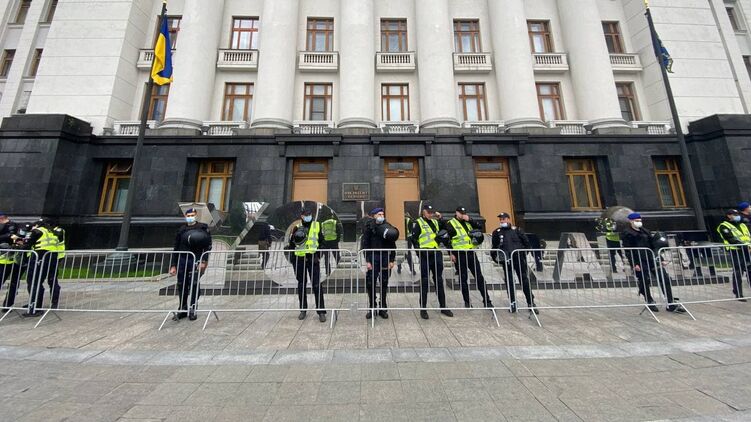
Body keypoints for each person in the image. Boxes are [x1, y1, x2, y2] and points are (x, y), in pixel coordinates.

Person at [169, 208, 212, 321]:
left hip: (196, 258)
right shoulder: (182, 229)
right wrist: (173, 265)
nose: (190, 216)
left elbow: (208, 246)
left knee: (193, 283)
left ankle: (193, 308)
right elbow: (176, 247)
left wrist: (204, 261)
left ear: (196, 215)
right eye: (188, 215)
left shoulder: (202, 227)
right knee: (181, 284)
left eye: (192, 215)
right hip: (183, 259)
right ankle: (182, 309)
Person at [411, 205, 453, 319]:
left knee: (439, 280)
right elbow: (414, 239)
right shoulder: (418, 223)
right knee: (424, 281)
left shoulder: (435, 222)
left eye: (432, 212)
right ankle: (423, 309)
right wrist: (419, 253)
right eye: (428, 212)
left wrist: (441, 219)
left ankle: (443, 306)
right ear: (423, 212)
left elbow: (446, 230)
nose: (430, 214)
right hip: (425, 255)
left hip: (436, 254)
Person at [491, 212, 538, 314]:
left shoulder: (517, 230)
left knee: (524, 280)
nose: (501, 221)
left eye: (503, 219)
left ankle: (531, 302)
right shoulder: (497, 232)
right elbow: (494, 247)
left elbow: (526, 244)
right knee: (509, 282)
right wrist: (495, 258)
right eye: (500, 219)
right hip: (506, 261)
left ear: (508, 219)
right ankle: (512, 303)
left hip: (518, 260)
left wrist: (522, 255)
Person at [446, 206, 493, 309]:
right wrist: (451, 253)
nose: (462, 214)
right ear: (456, 213)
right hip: (459, 254)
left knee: (479, 277)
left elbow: (480, 228)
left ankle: (487, 300)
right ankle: (467, 302)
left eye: (463, 212)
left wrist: (470, 220)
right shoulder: (451, 223)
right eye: (460, 213)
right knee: (463, 279)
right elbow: (447, 239)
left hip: (471, 253)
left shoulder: (468, 222)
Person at [288, 209, 327, 322]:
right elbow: (291, 245)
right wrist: (293, 259)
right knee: (301, 285)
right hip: (300, 260)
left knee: (316, 285)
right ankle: (303, 310)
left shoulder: (317, 225)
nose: (308, 217)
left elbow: (322, 242)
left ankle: (321, 312)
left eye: (310, 215)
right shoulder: (296, 227)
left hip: (313, 259)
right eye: (306, 215)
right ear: (302, 216)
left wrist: (319, 254)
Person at [620, 213, 663, 313]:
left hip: (650, 258)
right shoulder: (627, 233)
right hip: (639, 259)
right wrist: (634, 264)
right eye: (636, 220)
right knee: (644, 279)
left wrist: (660, 258)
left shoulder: (645, 231)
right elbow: (628, 250)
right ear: (631, 221)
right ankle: (649, 300)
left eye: (639, 220)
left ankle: (670, 301)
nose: (639, 222)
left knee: (663, 277)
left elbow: (653, 246)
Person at [360, 208, 397, 320]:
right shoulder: (369, 227)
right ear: (374, 215)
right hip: (373, 257)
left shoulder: (387, 226)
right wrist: (368, 261)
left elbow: (392, 244)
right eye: (379, 214)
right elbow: (365, 244)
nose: (381, 215)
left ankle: (382, 308)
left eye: (382, 214)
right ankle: (372, 307)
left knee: (384, 283)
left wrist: (392, 259)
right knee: (370, 283)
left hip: (385, 257)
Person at [24, 218, 62, 316]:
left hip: (39, 259)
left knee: (34, 282)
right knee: (42, 282)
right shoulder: (52, 232)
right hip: (52, 259)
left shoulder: (37, 231)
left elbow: (26, 245)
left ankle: (35, 308)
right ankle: (37, 307)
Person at [717, 209, 751, 301]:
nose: (737, 216)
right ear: (729, 215)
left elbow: (748, 236)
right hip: (736, 251)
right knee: (738, 272)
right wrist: (745, 246)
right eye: (734, 214)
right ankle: (738, 293)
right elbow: (730, 239)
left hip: (748, 251)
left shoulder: (742, 225)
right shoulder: (724, 226)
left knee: (750, 270)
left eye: (737, 214)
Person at [0, 212, 22, 311]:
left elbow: (20, 237)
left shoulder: (15, 226)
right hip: (5, 259)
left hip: (13, 259)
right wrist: (9, 235)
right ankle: (7, 306)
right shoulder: (13, 226)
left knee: (14, 283)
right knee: (12, 283)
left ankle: (7, 305)